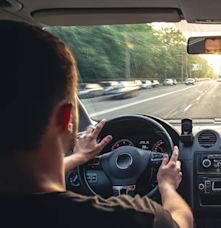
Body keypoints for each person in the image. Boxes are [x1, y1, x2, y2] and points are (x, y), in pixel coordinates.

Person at [0, 20, 193, 228]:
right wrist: (167, 186)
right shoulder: (128, 218)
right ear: (66, 118)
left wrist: (79, 158)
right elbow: (183, 221)